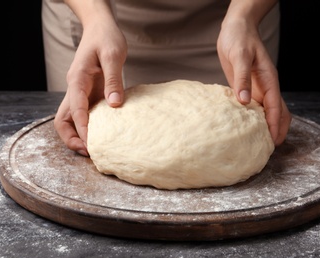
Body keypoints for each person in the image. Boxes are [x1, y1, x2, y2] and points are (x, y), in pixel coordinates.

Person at [42, 0, 292, 157]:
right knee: (89, 131)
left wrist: (244, 16)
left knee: (236, 139)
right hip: (96, 17)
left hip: (234, 17)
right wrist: (94, 18)